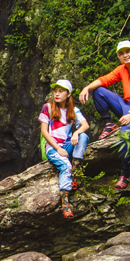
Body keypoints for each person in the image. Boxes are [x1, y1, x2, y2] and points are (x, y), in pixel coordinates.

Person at [78, 40, 130, 190]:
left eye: (128, 51)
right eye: (122, 53)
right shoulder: (122, 69)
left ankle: (125, 173)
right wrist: (86, 87)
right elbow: (104, 80)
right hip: (126, 105)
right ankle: (109, 123)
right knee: (98, 91)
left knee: (125, 132)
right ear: (119, 56)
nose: (125, 55)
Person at [39, 79, 90, 218]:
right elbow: (44, 131)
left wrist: (76, 132)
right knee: (65, 166)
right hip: (53, 147)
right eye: (55, 91)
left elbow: (85, 125)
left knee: (83, 136)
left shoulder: (73, 110)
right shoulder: (48, 107)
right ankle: (65, 203)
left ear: (68, 94)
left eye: (61, 91)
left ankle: (75, 172)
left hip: (67, 146)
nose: (57, 94)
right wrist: (57, 148)